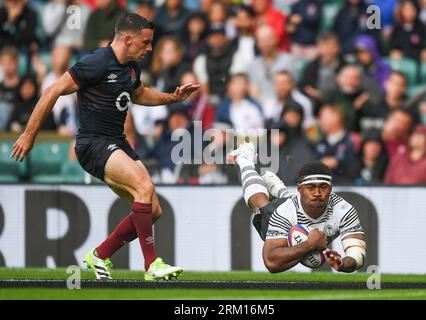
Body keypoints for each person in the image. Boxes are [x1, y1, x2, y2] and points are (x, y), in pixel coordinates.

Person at [10, 13, 200, 281]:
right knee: (143, 188)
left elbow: (140, 93)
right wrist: (30, 135)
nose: (149, 49)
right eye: (145, 43)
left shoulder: (132, 67)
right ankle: (151, 265)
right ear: (127, 39)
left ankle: (100, 254)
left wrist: (173, 97)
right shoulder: (96, 62)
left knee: (153, 208)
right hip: (92, 144)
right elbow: (52, 91)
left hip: (116, 142)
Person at [227, 145, 366, 273]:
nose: (317, 193)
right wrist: (309, 245)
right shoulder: (283, 212)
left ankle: (278, 188)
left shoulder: (344, 210)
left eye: (323, 187)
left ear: (330, 189)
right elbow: (271, 263)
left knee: (304, 201)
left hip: (297, 207)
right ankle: (245, 159)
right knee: (260, 205)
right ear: (299, 189)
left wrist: (342, 263)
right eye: (311, 187)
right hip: (289, 214)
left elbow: (357, 252)